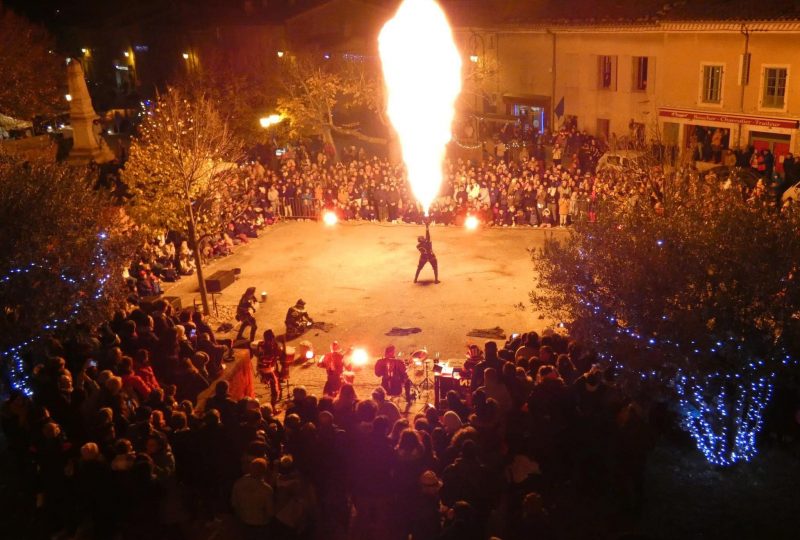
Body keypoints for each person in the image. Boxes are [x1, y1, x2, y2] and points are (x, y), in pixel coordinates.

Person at [230, 458, 274, 540]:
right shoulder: (267, 489)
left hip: (243, 522)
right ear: (264, 471)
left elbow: (234, 503)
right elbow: (270, 512)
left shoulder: (238, 483)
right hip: (260, 525)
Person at [256, 330, 283, 408]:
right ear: (271, 339)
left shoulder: (260, 344)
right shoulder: (271, 349)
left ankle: (268, 380)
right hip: (268, 370)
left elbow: (258, 355)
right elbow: (278, 356)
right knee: (275, 389)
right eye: (271, 339)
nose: (272, 341)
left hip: (260, 368)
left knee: (275, 373)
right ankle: (273, 407)